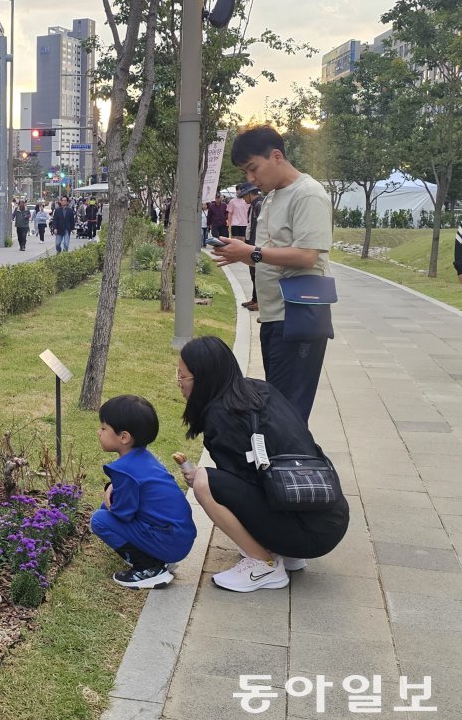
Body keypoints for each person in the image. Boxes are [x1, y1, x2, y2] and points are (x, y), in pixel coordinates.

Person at [176, 336, 349, 592]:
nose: (179, 383)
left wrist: (203, 479)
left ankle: (263, 565)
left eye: (183, 377)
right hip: (330, 517)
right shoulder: (258, 389)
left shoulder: (221, 416)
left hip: (309, 532)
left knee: (205, 483)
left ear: (204, 379)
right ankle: (286, 553)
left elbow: (238, 489)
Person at [213, 124, 333, 422]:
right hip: (274, 317)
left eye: (253, 168)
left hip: (297, 318)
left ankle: (296, 467)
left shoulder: (308, 194)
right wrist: (242, 253)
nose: (251, 179)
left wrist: (251, 252)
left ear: (276, 156)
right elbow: (273, 257)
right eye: (245, 172)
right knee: (279, 408)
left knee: (288, 414)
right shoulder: (273, 197)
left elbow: (307, 255)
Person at [90, 395, 197, 589]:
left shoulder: (125, 471)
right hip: (178, 535)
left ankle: (148, 568)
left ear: (124, 437)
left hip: (169, 540)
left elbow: (123, 514)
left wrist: (113, 495)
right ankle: (157, 558)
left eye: (104, 428)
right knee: (104, 510)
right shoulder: (145, 458)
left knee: (99, 520)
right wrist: (113, 488)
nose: (99, 432)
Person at [237, 182, 263, 311]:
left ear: (249, 194)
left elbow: (260, 228)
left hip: (257, 244)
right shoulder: (253, 205)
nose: (243, 199)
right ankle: (254, 299)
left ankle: (259, 301)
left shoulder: (259, 205)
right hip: (251, 242)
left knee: (257, 274)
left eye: (243, 196)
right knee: (253, 273)